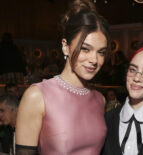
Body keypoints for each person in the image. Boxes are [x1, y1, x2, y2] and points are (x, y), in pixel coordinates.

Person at [15, 0, 111, 154]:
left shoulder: (100, 99)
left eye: (101, 52)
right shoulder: (37, 96)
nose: (94, 60)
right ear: (65, 47)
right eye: (85, 49)